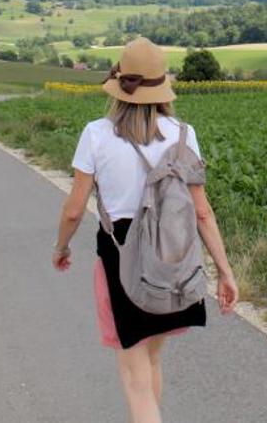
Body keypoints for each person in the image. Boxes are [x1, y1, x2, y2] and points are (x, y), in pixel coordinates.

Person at [52, 37, 239, 423]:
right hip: (172, 259)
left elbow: (73, 211)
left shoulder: (97, 134)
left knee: (135, 377)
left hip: (122, 256)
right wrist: (224, 270)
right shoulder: (184, 134)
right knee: (152, 361)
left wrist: (62, 248)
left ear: (119, 86)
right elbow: (202, 213)